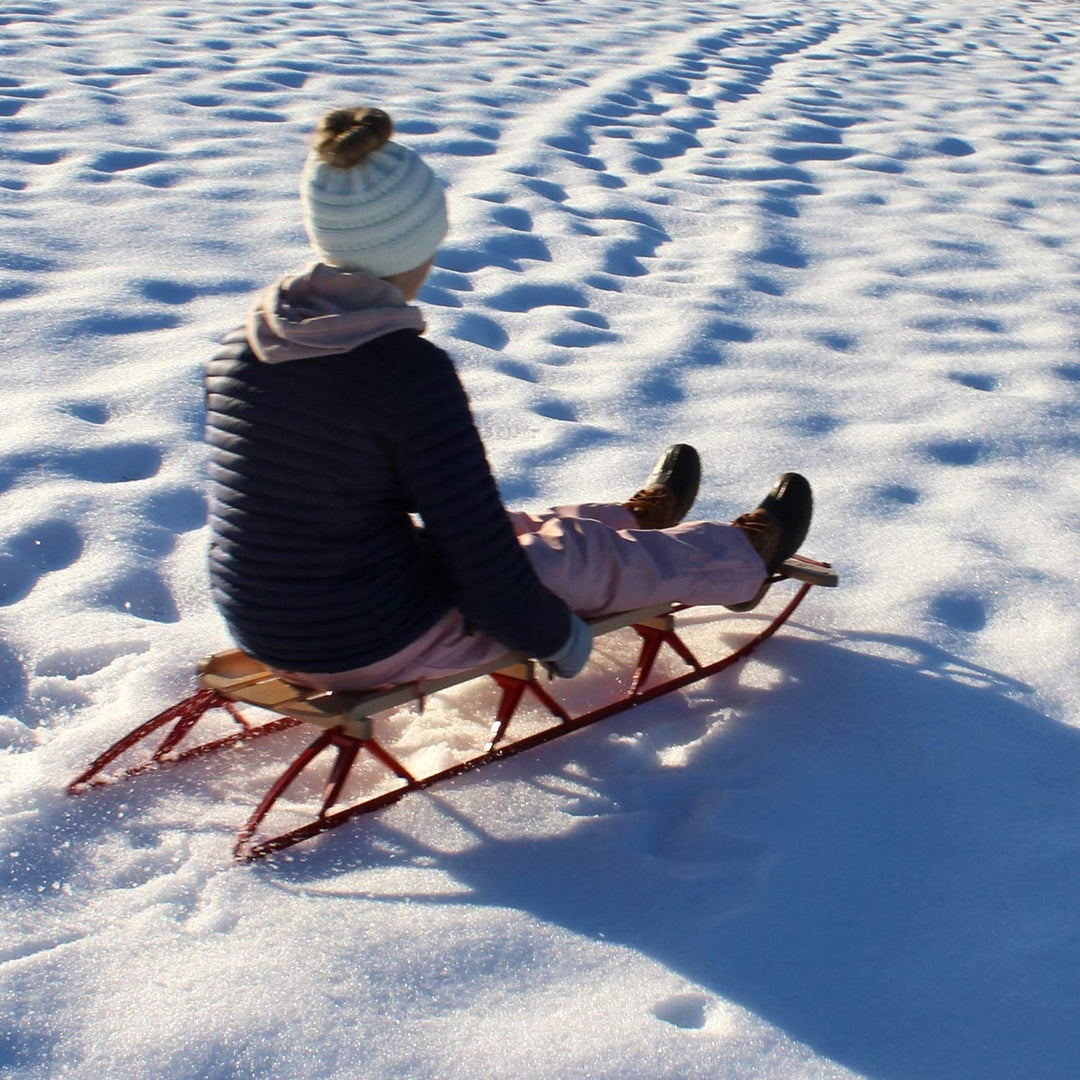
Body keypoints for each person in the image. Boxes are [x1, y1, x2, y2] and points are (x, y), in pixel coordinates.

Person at [205, 106, 812, 692]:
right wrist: (556, 638)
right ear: (417, 246)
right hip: (375, 638)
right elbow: (477, 556)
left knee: (518, 531)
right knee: (571, 559)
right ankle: (739, 561)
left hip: (267, 625)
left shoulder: (244, 348)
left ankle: (636, 524)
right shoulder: (403, 372)